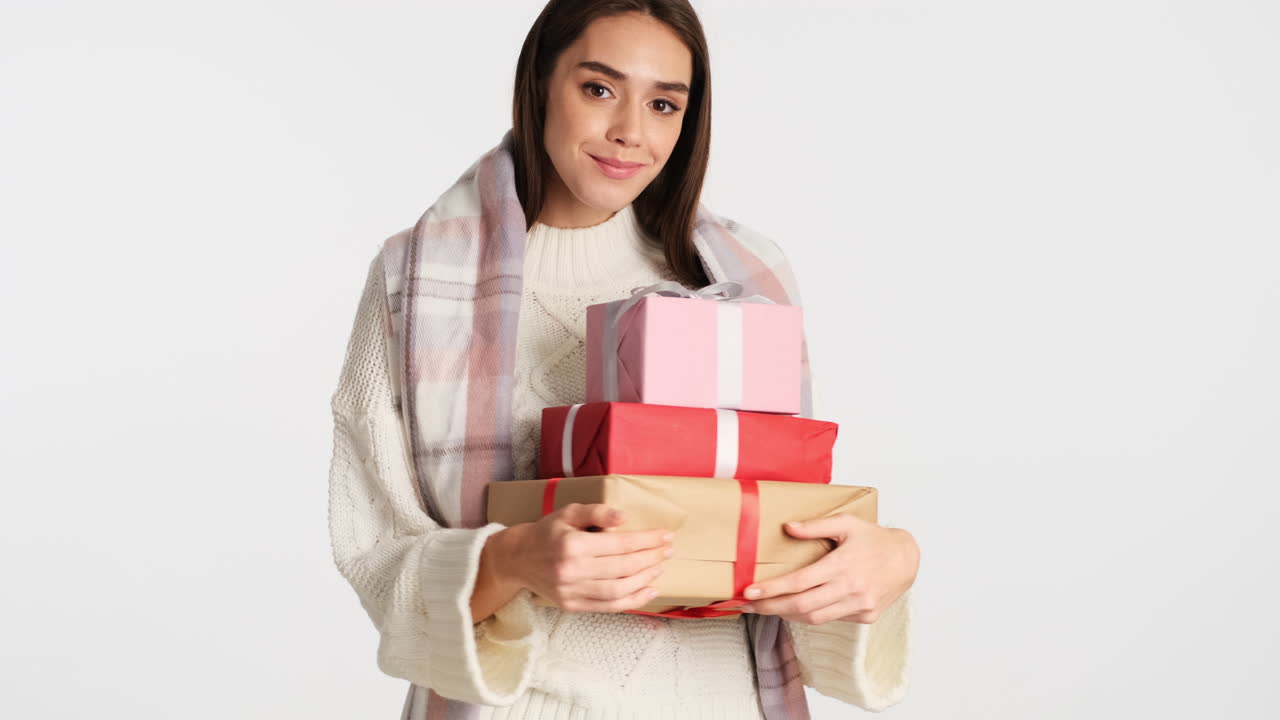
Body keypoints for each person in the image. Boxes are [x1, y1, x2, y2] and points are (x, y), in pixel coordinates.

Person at [327, 2, 919, 718]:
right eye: (599, 89)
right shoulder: (416, 282)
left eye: (664, 103)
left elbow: (776, 531)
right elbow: (377, 556)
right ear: (540, 83)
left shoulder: (750, 278)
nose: (631, 133)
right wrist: (511, 560)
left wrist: (891, 561)